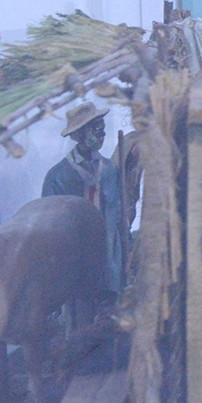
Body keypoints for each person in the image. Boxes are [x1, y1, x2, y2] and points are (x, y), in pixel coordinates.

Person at [41, 101, 128, 292]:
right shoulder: (58, 176)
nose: (102, 135)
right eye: (96, 130)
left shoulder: (109, 170)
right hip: (76, 257)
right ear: (80, 134)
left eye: (103, 130)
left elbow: (118, 212)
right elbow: (49, 227)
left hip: (108, 252)